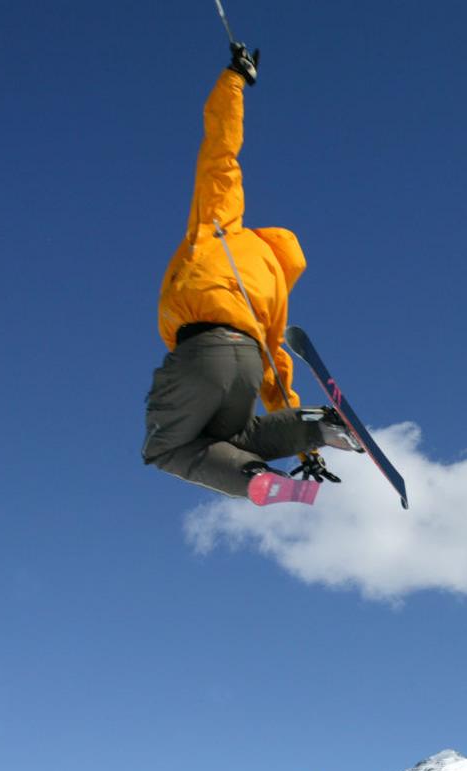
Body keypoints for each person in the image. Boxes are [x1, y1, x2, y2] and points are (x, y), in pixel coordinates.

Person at [141, 44, 359, 503]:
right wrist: (304, 447)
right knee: (232, 440)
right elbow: (278, 379)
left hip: (202, 349)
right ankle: (321, 425)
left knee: (167, 447)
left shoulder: (224, 227)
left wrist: (234, 80)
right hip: (249, 359)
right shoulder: (271, 294)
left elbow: (221, 152)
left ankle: (255, 480)